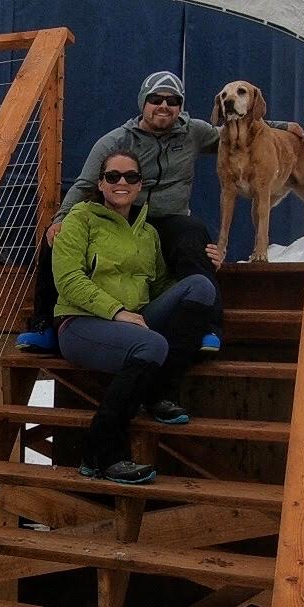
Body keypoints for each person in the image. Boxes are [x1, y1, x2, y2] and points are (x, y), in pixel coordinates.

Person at [17, 71, 302, 353]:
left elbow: (237, 123)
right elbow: (83, 185)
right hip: (127, 219)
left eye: (172, 100)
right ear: (143, 102)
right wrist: (60, 218)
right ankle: (43, 325)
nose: (164, 105)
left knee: (194, 234)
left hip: (170, 219)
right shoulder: (116, 141)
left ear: (180, 107)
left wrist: (283, 126)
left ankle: (208, 327)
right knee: (58, 234)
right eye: (155, 99)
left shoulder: (193, 132)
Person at [52, 152, 216, 484]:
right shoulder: (80, 220)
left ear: (140, 184)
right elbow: (68, 279)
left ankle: (157, 395)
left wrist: (208, 263)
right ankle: (101, 453)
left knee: (200, 287)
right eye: (113, 176)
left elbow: (159, 286)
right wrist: (117, 311)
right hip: (80, 323)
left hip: (132, 322)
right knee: (151, 344)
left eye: (130, 177)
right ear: (100, 184)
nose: (121, 183)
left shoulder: (147, 232)